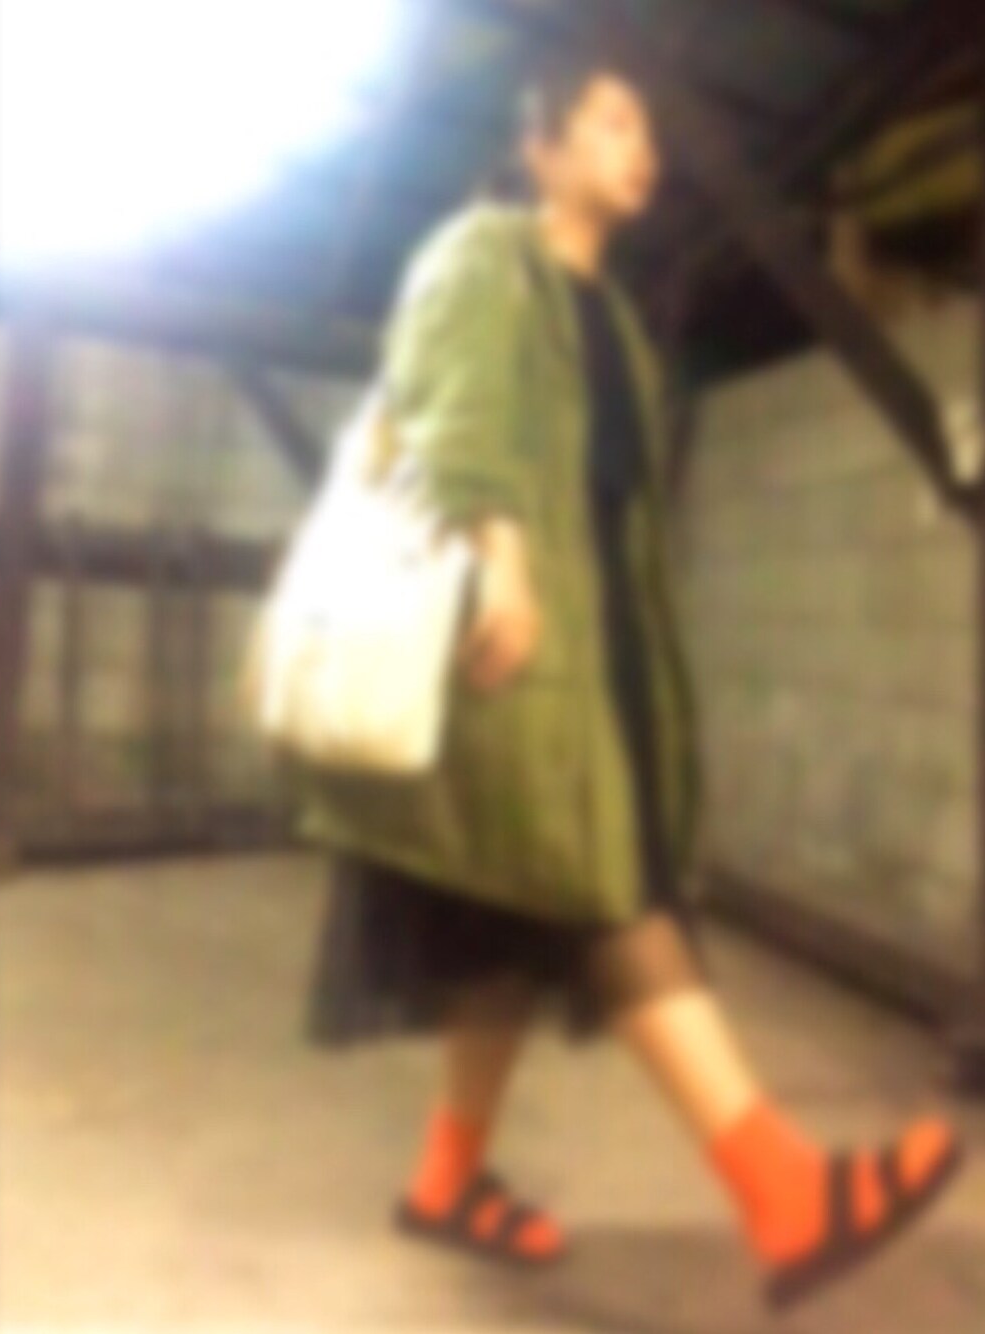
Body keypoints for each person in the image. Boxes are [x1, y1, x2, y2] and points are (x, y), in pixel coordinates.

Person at [297, 45, 965, 1310]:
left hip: (589, 657)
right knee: (608, 897)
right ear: (540, 149)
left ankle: (447, 1178)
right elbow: (449, 410)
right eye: (609, 122)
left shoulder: (612, 321)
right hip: (504, 645)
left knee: (506, 932)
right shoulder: (483, 257)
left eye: (644, 128)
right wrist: (500, 555)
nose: (639, 146)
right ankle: (782, 1189)